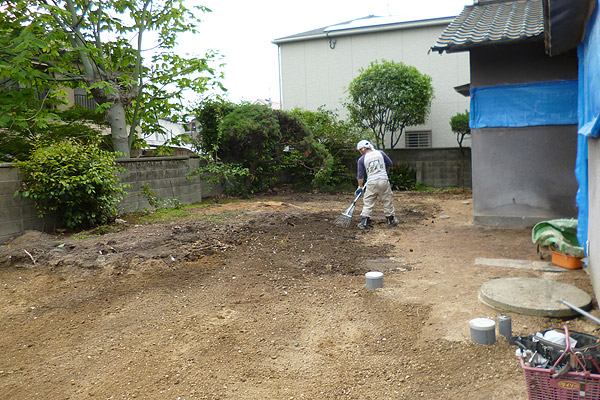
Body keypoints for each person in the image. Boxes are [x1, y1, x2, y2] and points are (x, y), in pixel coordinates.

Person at [355, 139, 398, 230]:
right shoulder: (380, 153)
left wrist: (360, 187)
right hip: (383, 180)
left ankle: (364, 222)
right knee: (387, 200)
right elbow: (390, 163)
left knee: (368, 201)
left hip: (371, 182)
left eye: (359, 151)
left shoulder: (362, 159)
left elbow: (360, 175)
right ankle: (391, 221)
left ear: (362, 150)